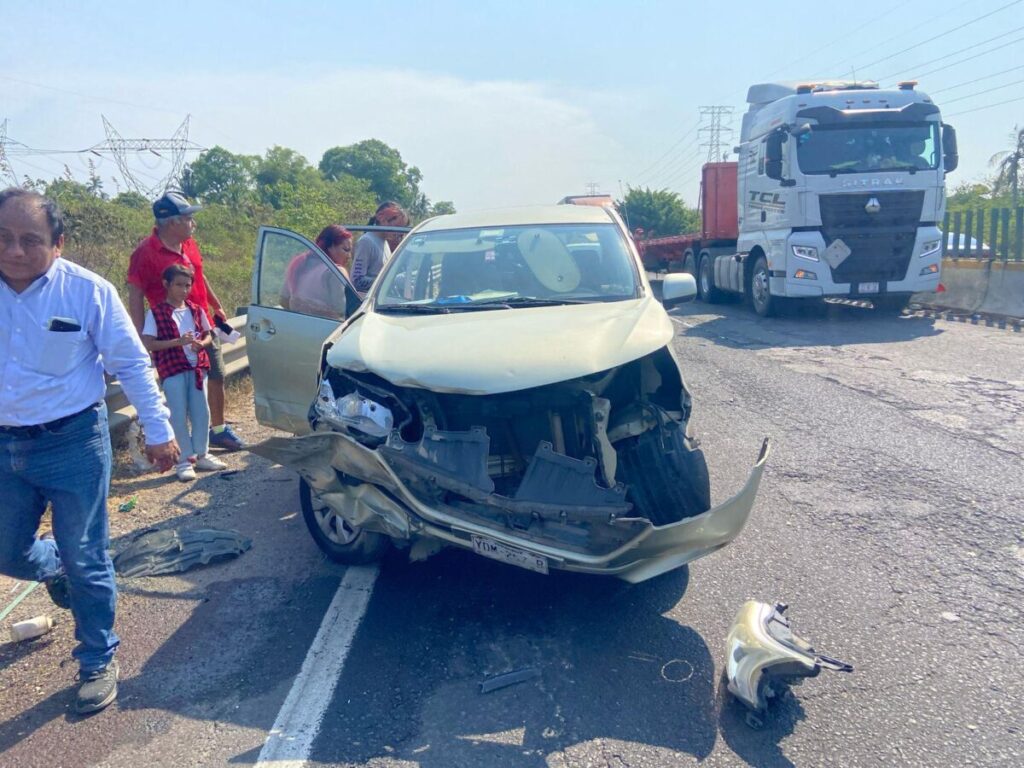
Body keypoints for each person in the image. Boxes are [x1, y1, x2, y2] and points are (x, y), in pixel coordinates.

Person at [0, 188, 179, 714]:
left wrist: (159, 430)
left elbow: (130, 364)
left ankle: (98, 658)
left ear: (58, 244)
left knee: (87, 554)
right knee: (8, 551)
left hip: (73, 441)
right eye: (3, 238)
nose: (13, 251)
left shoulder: (87, 292)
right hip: (4, 447)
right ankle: (55, 569)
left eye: (29, 240)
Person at [127, 191, 245, 451]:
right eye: (189, 218)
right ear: (172, 222)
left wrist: (216, 305)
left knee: (216, 375)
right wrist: (141, 338)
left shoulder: (189, 245)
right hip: (171, 334)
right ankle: (183, 445)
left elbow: (200, 277)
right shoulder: (145, 253)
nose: (194, 223)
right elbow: (135, 293)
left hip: (201, 323)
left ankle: (218, 429)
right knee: (181, 388)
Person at [141, 264, 228, 481]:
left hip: (196, 367)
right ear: (167, 285)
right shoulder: (156, 313)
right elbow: (150, 343)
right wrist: (177, 343)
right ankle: (184, 460)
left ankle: (202, 453)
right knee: (178, 415)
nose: (184, 290)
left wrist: (201, 343)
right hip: (173, 369)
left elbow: (209, 334)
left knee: (201, 412)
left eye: (187, 285)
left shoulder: (196, 310)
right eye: (179, 285)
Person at [280, 225, 353, 319]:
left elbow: (283, 300)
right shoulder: (337, 272)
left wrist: (303, 309)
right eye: (346, 249)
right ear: (330, 247)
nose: (349, 256)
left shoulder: (299, 263)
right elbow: (343, 311)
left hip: (296, 324)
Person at [350, 201, 408, 294]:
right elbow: (356, 280)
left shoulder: (385, 243)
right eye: (397, 226)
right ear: (382, 219)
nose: (399, 232)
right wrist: (387, 282)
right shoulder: (366, 241)